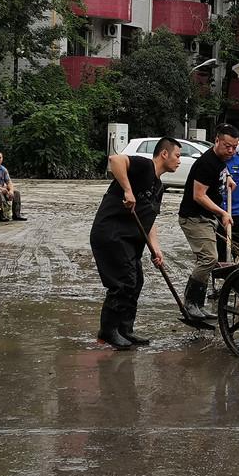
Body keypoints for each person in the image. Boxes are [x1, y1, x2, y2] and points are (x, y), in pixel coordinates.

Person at [90, 137, 182, 350]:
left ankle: (125, 329)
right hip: (111, 233)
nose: (179, 160)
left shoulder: (158, 186)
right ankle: (108, 331)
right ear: (164, 154)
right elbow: (115, 160)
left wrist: (156, 249)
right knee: (124, 281)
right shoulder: (144, 166)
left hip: (130, 241)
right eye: (177, 155)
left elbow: (148, 219)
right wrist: (128, 190)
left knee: (136, 280)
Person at [179, 124, 238, 321]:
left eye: (234, 147)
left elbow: (221, 169)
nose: (231, 150)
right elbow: (198, 195)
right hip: (194, 217)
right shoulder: (207, 163)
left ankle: (199, 305)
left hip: (205, 218)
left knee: (209, 259)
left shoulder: (220, 159)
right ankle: (191, 304)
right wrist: (222, 213)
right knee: (208, 259)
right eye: (227, 146)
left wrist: (228, 177)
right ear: (217, 141)